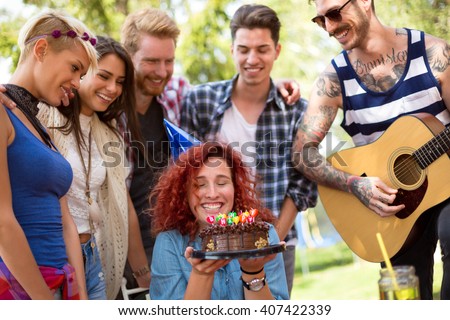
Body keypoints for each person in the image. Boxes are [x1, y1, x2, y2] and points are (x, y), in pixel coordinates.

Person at [118, 7, 302, 295]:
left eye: (169, 61)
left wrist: (269, 86)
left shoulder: (177, 94)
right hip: (139, 244)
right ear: (128, 58)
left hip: (200, 229)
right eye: (152, 61)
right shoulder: (110, 110)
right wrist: (141, 268)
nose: (162, 71)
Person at [292, 0, 450, 300]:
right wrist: (355, 185)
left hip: (448, 187)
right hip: (391, 207)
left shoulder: (434, 54)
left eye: (335, 14)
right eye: (320, 20)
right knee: (404, 296)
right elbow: (302, 153)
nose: (329, 27)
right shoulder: (334, 79)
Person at [180, 4, 318, 296]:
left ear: (277, 51)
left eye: (262, 49)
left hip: (276, 241)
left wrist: (269, 241)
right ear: (232, 49)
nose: (252, 59)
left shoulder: (297, 112)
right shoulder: (200, 102)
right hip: (213, 244)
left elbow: (303, 184)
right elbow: (186, 173)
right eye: (243, 49)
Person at [37, 36, 150, 299]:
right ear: (82, 71)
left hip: (94, 258)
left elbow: (123, 205)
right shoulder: (42, 115)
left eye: (120, 82)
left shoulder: (109, 133)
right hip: (52, 259)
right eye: (104, 76)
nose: (113, 88)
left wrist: (143, 271)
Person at [0, 9, 98, 299]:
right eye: (74, 68)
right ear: (41, 50)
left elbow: (65, 220)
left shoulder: (42, 128)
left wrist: (78, 295)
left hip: (59, 287)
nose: (78, 83)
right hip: (20, 291)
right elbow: (2, 221)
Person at [149, 141, 289, 299]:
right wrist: (202, 274)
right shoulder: (169, 244)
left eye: (222, 183)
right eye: (200, 185)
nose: (212, 193)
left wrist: (253, 272)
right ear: (184, 193)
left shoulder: (262, 236)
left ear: (235, 188)